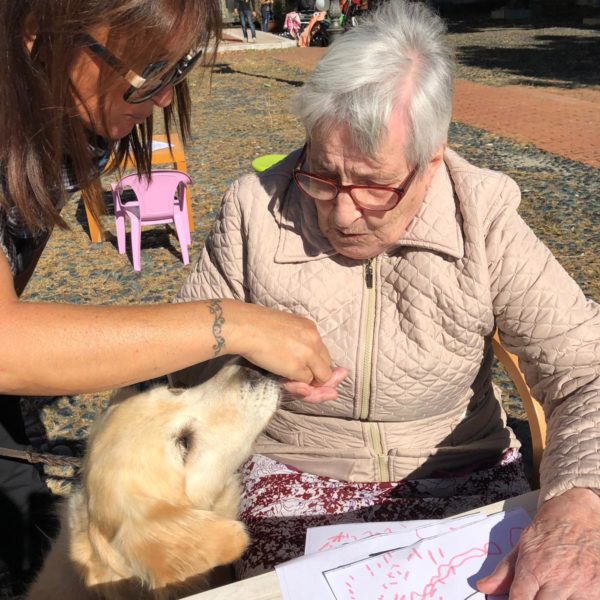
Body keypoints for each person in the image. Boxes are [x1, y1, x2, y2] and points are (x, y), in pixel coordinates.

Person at [173, 1, 600, 596]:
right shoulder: (254, 210)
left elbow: (587, 371)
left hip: (464, 476)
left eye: (375, 185)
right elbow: (179, 372)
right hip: (295, 475)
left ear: (432, 159)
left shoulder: (484, 219)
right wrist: (250, 367)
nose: (343, 213)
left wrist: (579, 508)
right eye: (321, 174)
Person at [0, 1, 334, 594]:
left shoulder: (64, 115)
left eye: (176, 70)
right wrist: (231, 324)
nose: (161, 99)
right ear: (36, 36)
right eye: (148, 73)